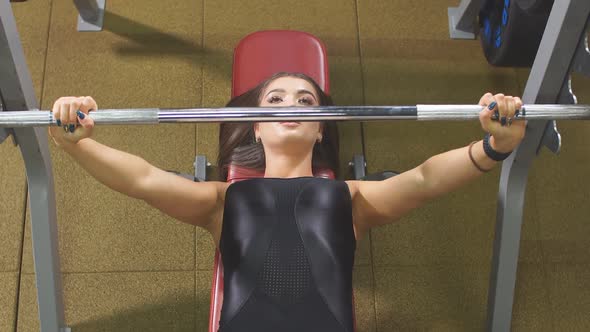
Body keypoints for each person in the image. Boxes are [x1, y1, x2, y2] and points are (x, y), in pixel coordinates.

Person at [49, 72, 525, 332]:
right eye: (274, 99)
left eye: (305, 101)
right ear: (256, 126)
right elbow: (142, 179)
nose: (289, 106)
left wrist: (492, 147)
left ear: (320, 128)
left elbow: (423, 180)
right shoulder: (222, 200)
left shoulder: (351, 198)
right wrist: (76, 141)